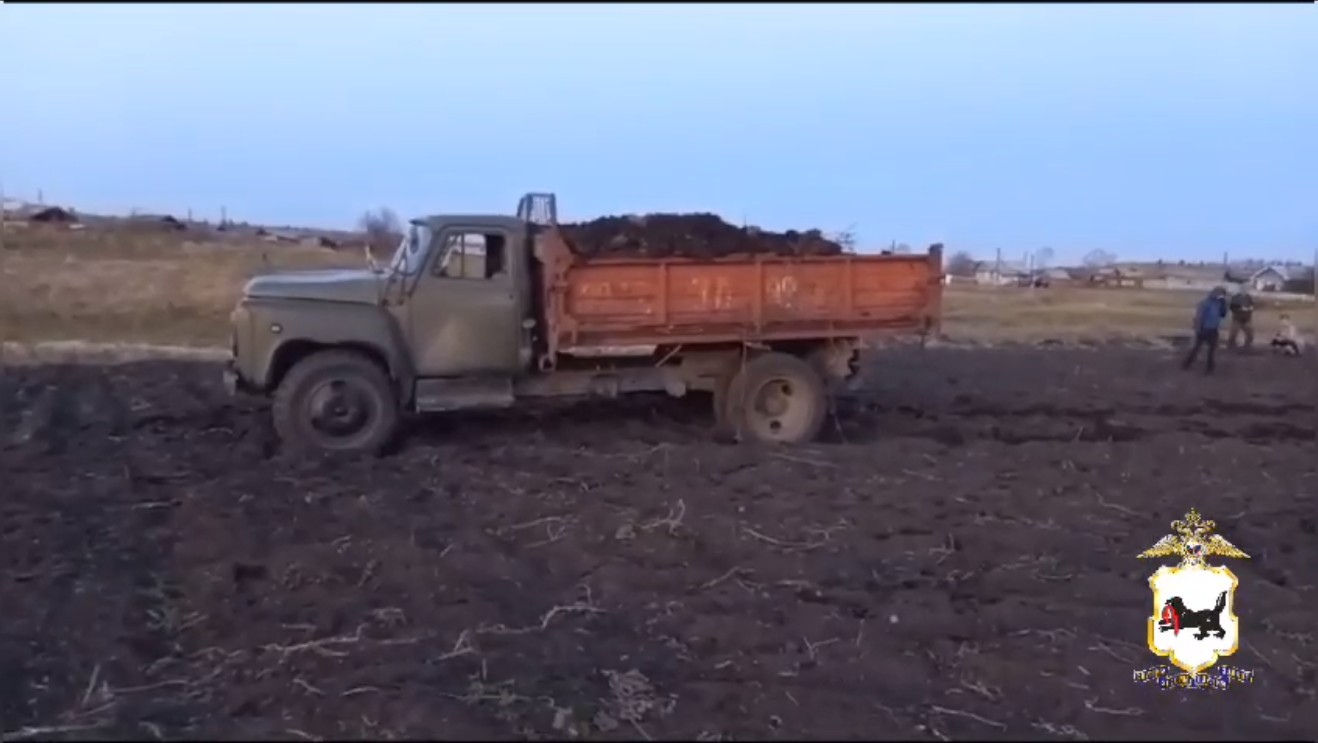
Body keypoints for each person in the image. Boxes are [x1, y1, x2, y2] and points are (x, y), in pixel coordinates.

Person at [1182, 287, 1228, 374]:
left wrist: (1223, 304)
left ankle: (1209, 368)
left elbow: (1223, 314)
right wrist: (1198, 328)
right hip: (1204, 329)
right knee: (1197, 348)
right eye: (1220, 294)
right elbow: (1199, 317)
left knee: (1211, 350)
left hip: (1213, 329)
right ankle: (1187, 364)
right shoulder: (1205, 303)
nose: (1221, 296)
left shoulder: (1219, 303)